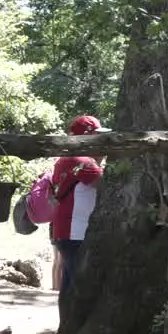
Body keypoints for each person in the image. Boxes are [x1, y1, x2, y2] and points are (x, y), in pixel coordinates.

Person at [50, 114, 109, 297]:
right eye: (96, 136)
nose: (101, 141)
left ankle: (68, 324)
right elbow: (105, 186)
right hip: (75, 232)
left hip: (69, 230)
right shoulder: (82, 161)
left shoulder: (68, 157)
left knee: (69, 286)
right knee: (81, 287)